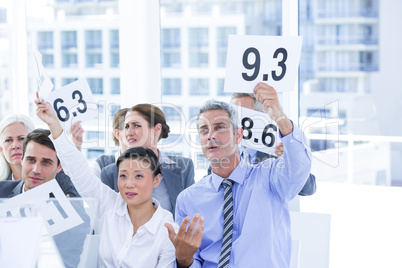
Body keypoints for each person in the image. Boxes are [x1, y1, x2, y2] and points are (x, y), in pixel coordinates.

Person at [165, 83, 312, 267]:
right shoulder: (188, 199)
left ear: (238, 136)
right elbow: (192, 260)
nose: (210, 135)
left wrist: (279, 116)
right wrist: (184, 260)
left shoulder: (270, 177)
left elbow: (300, 165)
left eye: (219, 127)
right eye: (204, 130)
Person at [35, 96, 178, 267]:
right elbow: (79, 171)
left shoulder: (167, 228)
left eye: (138, 176)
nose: (129, 184)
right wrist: (54, 125)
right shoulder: (110, 204)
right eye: (123, 175)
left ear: (156, 180)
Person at [0, 128, 88, 268]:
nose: (36, 169)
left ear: (59, 167)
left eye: (46, 162)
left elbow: (66, 263)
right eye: (31, 160)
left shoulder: (72, 214)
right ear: (22, 160)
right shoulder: (1, 193)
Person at [101, 104, 195, 216]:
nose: (129, 132)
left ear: (157, 129)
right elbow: (108, 219)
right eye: (126, 127)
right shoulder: (110, 173)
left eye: (136, 125)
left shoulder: (183, 168)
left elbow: (190, 214)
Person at [230, 92, 317, 196]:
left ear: (260, 115)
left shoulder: (276, 150)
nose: (235, 119)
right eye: (233, 113)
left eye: (242, 113)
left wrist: (290, 159)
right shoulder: (224, 151)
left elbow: (308, 189)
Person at [89, 108, 129, 178]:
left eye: (138, 126)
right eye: (127, 127)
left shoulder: (150, 163)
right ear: (117, 134)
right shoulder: (101, 166)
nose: (134, 131)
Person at [0, 114, 35, 181]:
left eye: (21, 139)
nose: (15, 146)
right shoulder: (1, 186)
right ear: (1, 149)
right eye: (8, 140)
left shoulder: (55, 177)